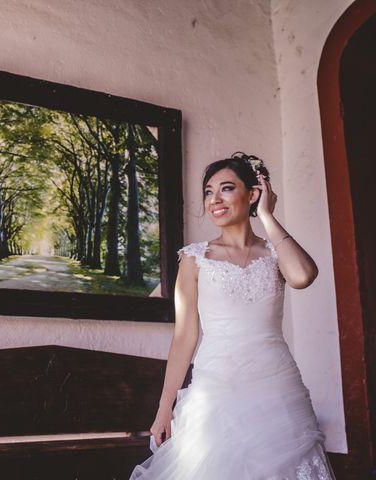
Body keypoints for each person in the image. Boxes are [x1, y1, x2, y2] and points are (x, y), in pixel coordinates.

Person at [130, 153, 335, 479]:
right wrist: (163, 410)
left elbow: (303, 276)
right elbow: (184, 337)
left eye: (226, 189)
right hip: (217, 392)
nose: (214, 200)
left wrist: (267, 215)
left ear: (252, 194)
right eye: (209, 192)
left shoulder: (273, 253)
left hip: (277, 390)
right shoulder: (195, 258)